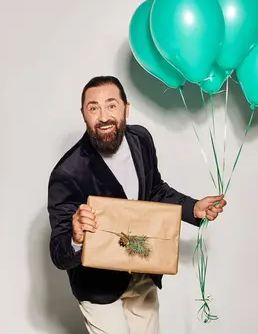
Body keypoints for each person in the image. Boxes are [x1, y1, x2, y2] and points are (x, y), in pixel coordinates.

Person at [47, 75, 227, 334]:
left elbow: (154, 190)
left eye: (111, 105)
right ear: (84, 115)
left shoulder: (141, 139)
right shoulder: (67, 174)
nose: (103, 116)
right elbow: (58, 253)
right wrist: (76, 236)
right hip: (99, 287)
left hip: (143, 270)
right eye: (93, 108)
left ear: (126, 108)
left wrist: (193, 207)